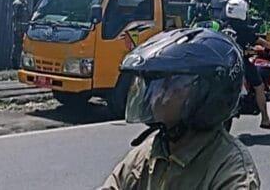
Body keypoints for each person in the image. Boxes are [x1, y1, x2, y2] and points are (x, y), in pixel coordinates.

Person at [100, 28, 261, 189]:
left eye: (168, 84)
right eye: (154, 86)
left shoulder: (230, 169)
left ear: (205, 93)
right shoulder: (149, 152)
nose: (156, 96)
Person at [223, 0, 270, 130]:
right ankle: (265, 119)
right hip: (239, 62)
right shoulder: (243, 29)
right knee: (259, 86)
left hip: (223, 61)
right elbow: (259, 41)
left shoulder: (224, 26)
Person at [10, 0, 31, 67]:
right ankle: (14, 63)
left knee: (24, 47)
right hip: (19, 28)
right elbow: (14, 17)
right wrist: (17, 28)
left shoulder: (24, 2)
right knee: (17, 46)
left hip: (25, 28)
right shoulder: (17, 3)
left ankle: (22, 63)